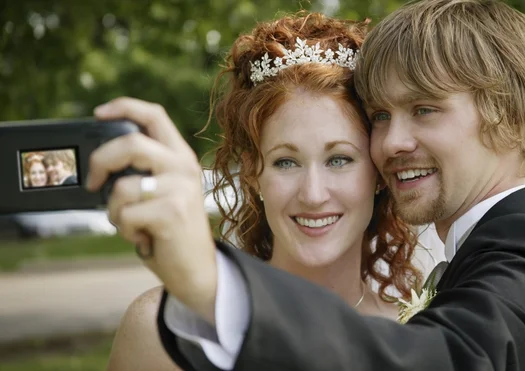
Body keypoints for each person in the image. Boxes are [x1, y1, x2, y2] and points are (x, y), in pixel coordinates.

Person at [86, 0, 525, 369]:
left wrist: (209, 281)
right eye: (380, 116)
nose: (394, 142)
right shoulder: (159, 326)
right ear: (252, 172)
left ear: (510, 116)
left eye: (425, 109)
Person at [101, 12, 443, 371]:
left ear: (376, 171)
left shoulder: (420, 336)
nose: (313, 194)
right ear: (252, 173)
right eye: (285, 162)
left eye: (339, 159)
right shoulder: (161, 329)